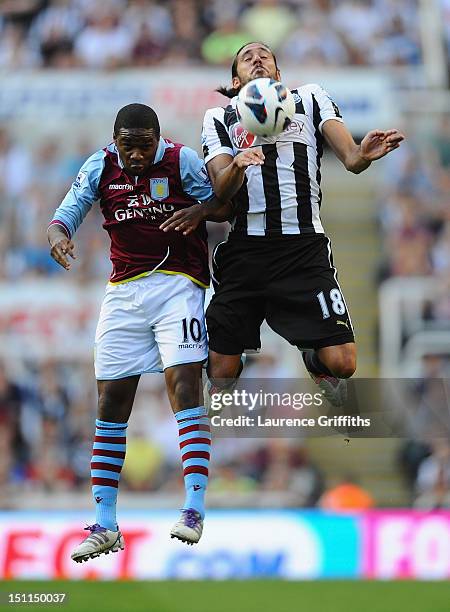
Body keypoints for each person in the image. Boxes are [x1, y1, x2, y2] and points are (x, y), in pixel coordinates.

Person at [162, 42, 405, 406]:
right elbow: (221, 192)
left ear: (278, 74)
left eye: (265, 55)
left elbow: (352, 159)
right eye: (247, 57)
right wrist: (238, 164)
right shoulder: (219, 118)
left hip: (303, 248)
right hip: (247, 251)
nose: (257, 58)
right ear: (235, 80)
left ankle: (313, 358)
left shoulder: (310, 98)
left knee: (344, 363)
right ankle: (237, 356)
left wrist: (363, 154)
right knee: (222, 375)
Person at [48, 103, 230, 562]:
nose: (134, 155)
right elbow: (68, 210)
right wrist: (58, 233)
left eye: (143, 145)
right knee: (110, 402)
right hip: (124, 292)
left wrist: (201, 211)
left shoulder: (181, 160)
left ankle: (193, 508)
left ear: (158, 138)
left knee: (184, 385)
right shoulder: (100, 164)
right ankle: (106, 522)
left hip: (179, 286)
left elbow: (224, 203)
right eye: (127, 146)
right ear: (115, 140)